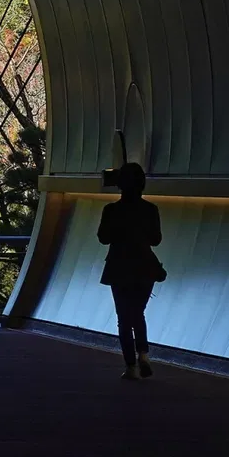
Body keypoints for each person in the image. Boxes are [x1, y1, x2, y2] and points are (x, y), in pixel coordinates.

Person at [98, 162, 164, 379]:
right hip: (145, 265)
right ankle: (143, 354)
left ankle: (130, 365)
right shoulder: (150, 210)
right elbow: (156, 240)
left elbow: (103, 238)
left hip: (119, 266)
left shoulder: (111, 210)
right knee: (138, 313)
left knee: (123, 317)